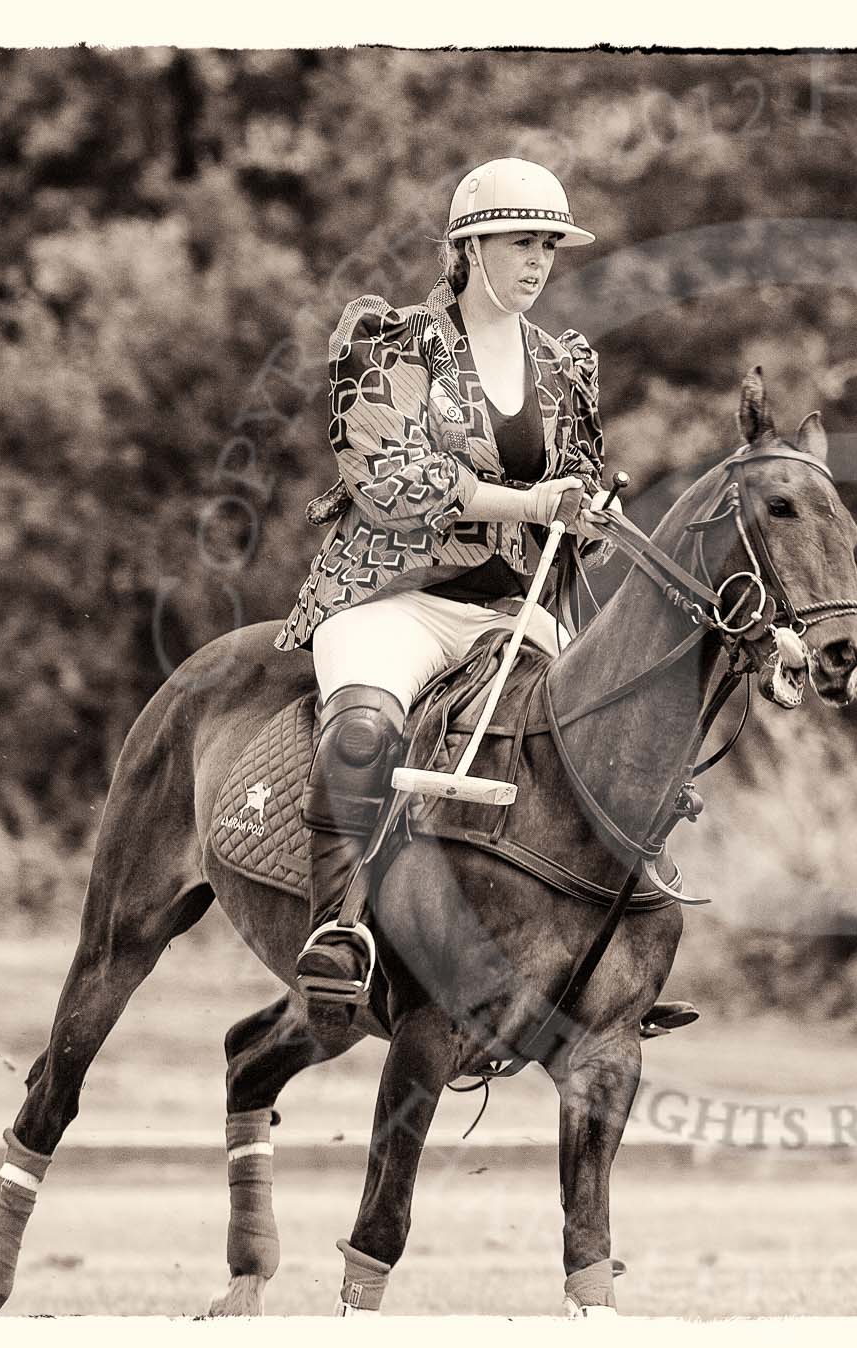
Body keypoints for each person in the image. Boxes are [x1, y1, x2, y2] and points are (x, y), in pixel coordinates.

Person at [272, 157, 610, 999]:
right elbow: (387, 477)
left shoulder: (565, 366)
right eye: (522, 242)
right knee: (362, 724)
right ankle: (339, 926)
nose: (538, 261)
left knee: (607, 730)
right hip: (398, 599)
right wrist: (533, 505)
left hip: (511, 607)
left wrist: (587, 515)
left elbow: (578, 481)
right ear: (470, 247)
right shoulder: (393, 344)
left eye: (548, 247)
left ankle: (610, 949)